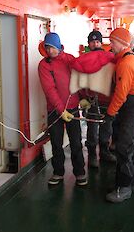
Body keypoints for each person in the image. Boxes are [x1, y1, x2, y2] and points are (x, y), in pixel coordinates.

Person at [38, 32, 87, 186]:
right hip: (55, 111)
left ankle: (80, 173)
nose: (50, 51)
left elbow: (78, 80)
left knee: (76, 142)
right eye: (47, 48)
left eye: (52, 47)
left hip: (72, 108)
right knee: (56, 143)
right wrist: (61, 110)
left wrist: (83, 97)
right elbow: (50, 90)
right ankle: (58, 172)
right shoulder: (44, 65)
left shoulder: (70, 59)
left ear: (59, 46)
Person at [105, 28, 134, 203]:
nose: (111, 45)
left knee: (124, 148)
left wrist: (110, 113)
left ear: (123, 43)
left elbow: (120, 94)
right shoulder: (128, 59)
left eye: (113, 42)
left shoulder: (126, 63)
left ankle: (124, 188)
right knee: (129, 146)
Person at [81, 30, 116, 168]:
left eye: (97, 41)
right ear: (88, 43)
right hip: (91, 100)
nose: (95, 44)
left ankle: (104, 152)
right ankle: (92, 156)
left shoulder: (110, 57)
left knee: (106, 128)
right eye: (92, 41)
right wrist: (83, 98)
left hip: (107, 99)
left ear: (101, 43)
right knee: (92, 129)